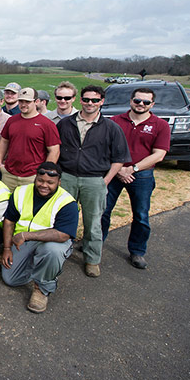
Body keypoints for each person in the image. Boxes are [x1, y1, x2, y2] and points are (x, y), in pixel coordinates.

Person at [57, 85, 130, 278]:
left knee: (93, 223)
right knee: (62, 218)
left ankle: (92, 259)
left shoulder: (111, 128)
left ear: (101, 102)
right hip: (67, 178)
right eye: (87, 99)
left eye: (95, 100)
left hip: (94, 180)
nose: (90, 103)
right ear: (80, 100)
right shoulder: (66, 124)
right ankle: (59, 254)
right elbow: (55, 151)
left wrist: (105, 181)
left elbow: (119, 159)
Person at [101, 87, 170, 270]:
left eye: (146, 102)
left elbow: (159, 154)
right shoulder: (115, 122)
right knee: (103, 210)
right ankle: (95, 244)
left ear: (152, 104)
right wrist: (119, 169)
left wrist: (133, 168)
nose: (141, 104)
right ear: (131, 101)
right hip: (114, 172)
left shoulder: (160, 125)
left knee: (140, 214)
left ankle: (137, 251)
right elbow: (105, 149)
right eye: (138, 101)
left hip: (142, 175)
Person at [1, 162, 78, 313]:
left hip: (53, 242)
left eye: (50, 182)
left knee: (52, 251)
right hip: (25, 243)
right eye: (40, 180)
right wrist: (6, 248)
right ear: (35, 178)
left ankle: (42, 288)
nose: (44, 185)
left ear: (59, 182)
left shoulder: (67, 202)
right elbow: (9, 220)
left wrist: (26, 235)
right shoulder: (20, 192)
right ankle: (41, 266)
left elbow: (63, 235)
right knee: (11, 279)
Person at [0, 88, 61, 192]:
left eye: (27, 101)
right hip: (9, 175)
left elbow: (54, 150)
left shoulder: (46, 124)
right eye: (21, 101)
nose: (23, 104)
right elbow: (4, 141)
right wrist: (0, 164)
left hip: (32, 176)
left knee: (28, 206)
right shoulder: (12, 120)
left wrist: (44, 173)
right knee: (6, 205)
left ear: (36, 102)